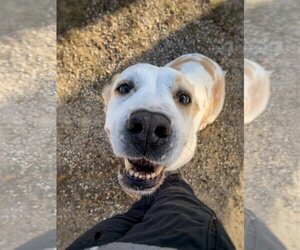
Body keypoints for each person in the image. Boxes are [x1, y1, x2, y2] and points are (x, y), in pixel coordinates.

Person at [67, 173, 235, 250]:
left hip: (96, 245)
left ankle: (152, 192)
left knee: (134, 215)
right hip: (186, 241)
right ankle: (169, 182)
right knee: (176, 199)